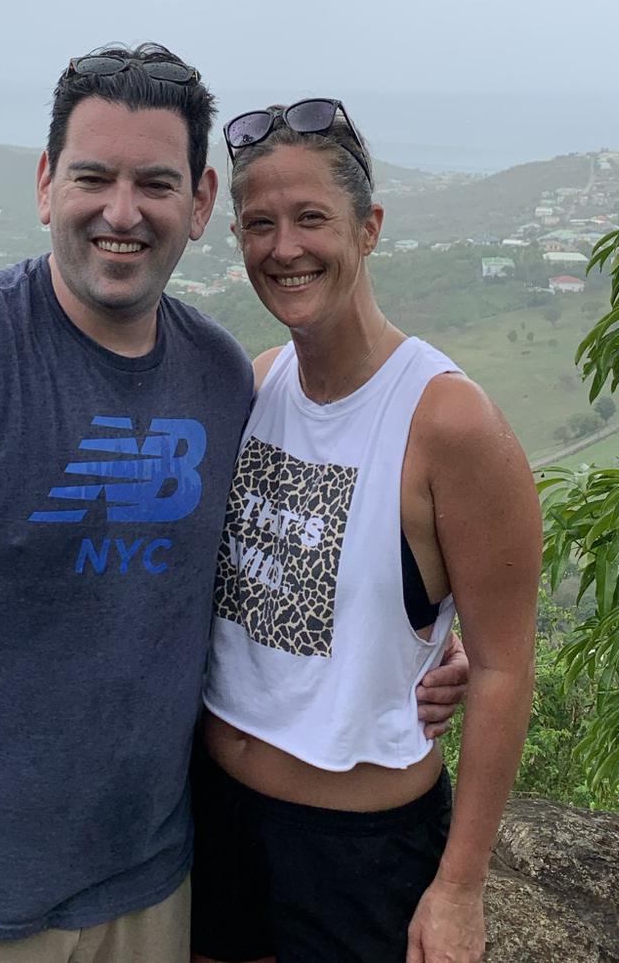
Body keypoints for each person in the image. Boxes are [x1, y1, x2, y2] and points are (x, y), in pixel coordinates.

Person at [0, 47, 466, 963]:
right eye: (93, 177)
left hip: (151, 898)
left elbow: (284, 552)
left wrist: (429, 634)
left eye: (155, 184)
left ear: (199, 206)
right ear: (47, 184)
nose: (122, 213)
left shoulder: (220, 378)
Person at [190, 98, 543, 963]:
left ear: (369, 226)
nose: (285, 247)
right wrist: (420, 647)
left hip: (356, 851)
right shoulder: (262, 383)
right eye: (260, 224)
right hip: (213, 815)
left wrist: (460, 887)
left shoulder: (445, 420)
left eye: (313, 218)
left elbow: (502, 665)